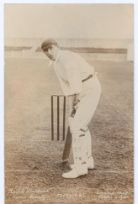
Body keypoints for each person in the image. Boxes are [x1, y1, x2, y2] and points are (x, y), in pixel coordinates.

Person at [41, 39, 102, 179]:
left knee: (77, 127)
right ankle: (88, 161)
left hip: (88, 88)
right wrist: (72, 107)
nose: (49, 54)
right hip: (85, 88)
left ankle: (80, 167)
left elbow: (75, 86)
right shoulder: (58, 60)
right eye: (46, 52)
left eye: (49, 50)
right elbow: (68, 86)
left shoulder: (66, 59)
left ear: (54, 47)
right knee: (81, 126)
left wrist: (73, 106)